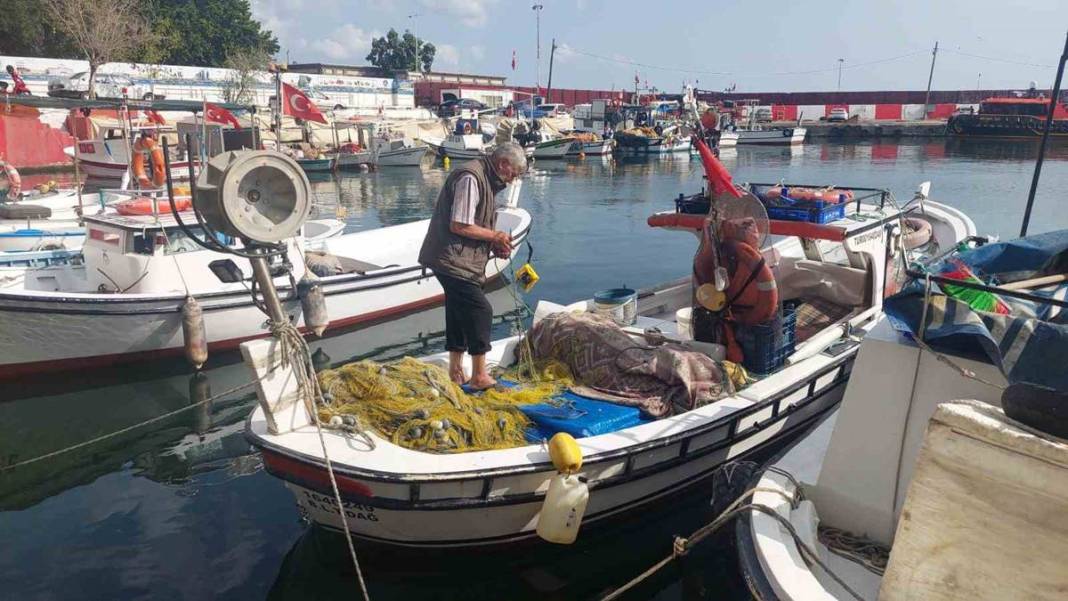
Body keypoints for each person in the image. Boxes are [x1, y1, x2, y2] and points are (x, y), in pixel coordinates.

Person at [419, 142, 527, 389]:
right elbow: (459, 225)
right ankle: (479, 376)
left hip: (457, 258)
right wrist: (495, 236)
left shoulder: (486, 178)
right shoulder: (471, 177)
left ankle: (455, 371)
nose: (512, 180)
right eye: (514, 173)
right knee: (481, 310)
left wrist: (493, 244)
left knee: (458, 311)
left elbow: (473, 224)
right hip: (450, 259)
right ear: (503, 164)